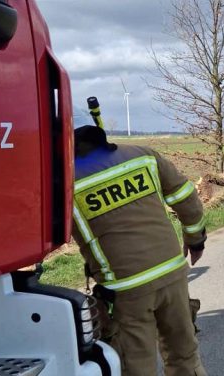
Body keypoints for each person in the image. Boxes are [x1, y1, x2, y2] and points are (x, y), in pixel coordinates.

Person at [71, 125, 207, 376]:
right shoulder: (144, 156)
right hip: (173, 274)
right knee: (184, 355)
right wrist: (195, 239)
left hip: (126, 290)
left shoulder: (67, 184)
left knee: (136, 366)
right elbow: (186, 196)